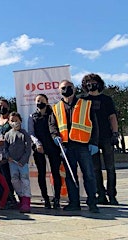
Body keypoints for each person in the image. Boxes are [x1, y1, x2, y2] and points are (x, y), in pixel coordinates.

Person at [49, 80, 99, 213]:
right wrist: (55, 136)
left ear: (74, 89)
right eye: (63, 88)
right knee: (70, 177)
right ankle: (74, 203)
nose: (66, 90)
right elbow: (52, 125)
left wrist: (94, 142)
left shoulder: (85, 104)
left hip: (83, 146)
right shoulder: (56, 107)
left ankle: (92, 203)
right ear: (60, 91)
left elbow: (94, 124)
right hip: (66, 147)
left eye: (68, 87)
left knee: (89, 175)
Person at [81, 73, 119, 205]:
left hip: (106, 137)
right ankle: (101, 194)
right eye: (88, 83)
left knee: (110, 167)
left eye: (93, 82)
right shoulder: (83, 100)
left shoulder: (106, 99)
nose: (91, 84)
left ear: (99, 83)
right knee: (95, 168)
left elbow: (112, 117)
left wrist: (115, 133)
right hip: (91, 139)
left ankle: (112, 195)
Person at [28, 94, 62, 209]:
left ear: (47, 102)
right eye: (38, 101)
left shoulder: (53, 114)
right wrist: (37, 143)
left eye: (42, 100)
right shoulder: (32, 116)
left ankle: (57, 198)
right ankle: (46, 198)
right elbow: (31, 132)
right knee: (41, 173)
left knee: (55, 173)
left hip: (53, 147)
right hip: (39, 148)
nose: (40, 102)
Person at [0, 99, 16, 205]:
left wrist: (5, 140)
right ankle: (1, 196)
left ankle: (11, 196)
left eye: (4, 106)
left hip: (9, 151)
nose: (1, 108)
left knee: (8, 175)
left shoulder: (11, 121)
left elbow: (15, 133)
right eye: (0, 106)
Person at [4, 112, 32, 213]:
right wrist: (8, 157)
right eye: (12, 121)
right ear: (9, 122)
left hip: (22, 163)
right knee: (14, 180)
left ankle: (26, 201)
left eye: (16, 120)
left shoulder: (24, 134)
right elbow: (5, 148)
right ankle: (21, 197)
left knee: (25, 180)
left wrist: (23, 161)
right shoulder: (7, 134)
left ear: (20, 120)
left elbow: (28, 149)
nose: (14, 122)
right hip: (12, 163)